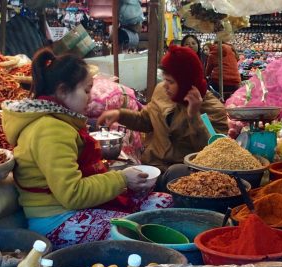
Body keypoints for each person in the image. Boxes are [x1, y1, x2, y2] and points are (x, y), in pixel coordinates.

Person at [1, 48, 154, 249]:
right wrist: (122, 178)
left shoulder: (57, 122)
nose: (90, 98)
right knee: (139, 230)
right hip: (56, 220)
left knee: (160, 204)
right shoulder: (50, 129)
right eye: (86, 90)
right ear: (63, 91)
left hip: (69, 210)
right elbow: (72, 194)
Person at [97, 45, 228, 190]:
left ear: (187, 83)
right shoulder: (161, 91)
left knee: (175, 172)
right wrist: (120, 115)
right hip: (153, 167)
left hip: (185, 175)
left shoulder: (213, 109)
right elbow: (146, 120)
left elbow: (214, 151)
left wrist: (194, 116)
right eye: (164, 79)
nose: (165, 86)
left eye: (171, 82)